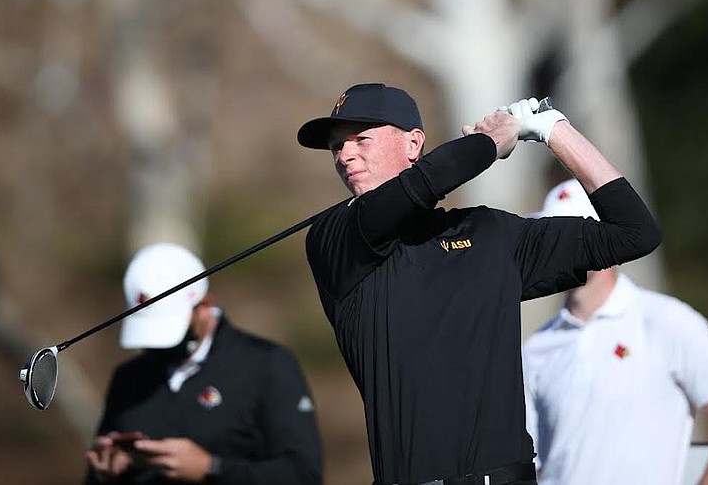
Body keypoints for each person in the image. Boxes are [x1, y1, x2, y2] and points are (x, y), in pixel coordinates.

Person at [297, 83, 662, 485]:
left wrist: (553, 130)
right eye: (336, 147)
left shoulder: (490, 233)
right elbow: (425, 184)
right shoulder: (336, 237)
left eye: (360, 139)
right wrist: (493, 140)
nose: (345, 156)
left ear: (413, 143)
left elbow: (635, 232)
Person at [521, 178, 708, 485]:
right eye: (555, 237)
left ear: (603, 237)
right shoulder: (536, 348)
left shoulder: (668, 320)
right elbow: (534, 464)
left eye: (574, 235)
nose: (562, 248)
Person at [84, 242, 323, 484]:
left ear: (204, 306)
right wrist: (107, 473)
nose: (157, 347)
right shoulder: (128, 378)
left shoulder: (268, 365)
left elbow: (304, 475)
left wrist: (212, 468)